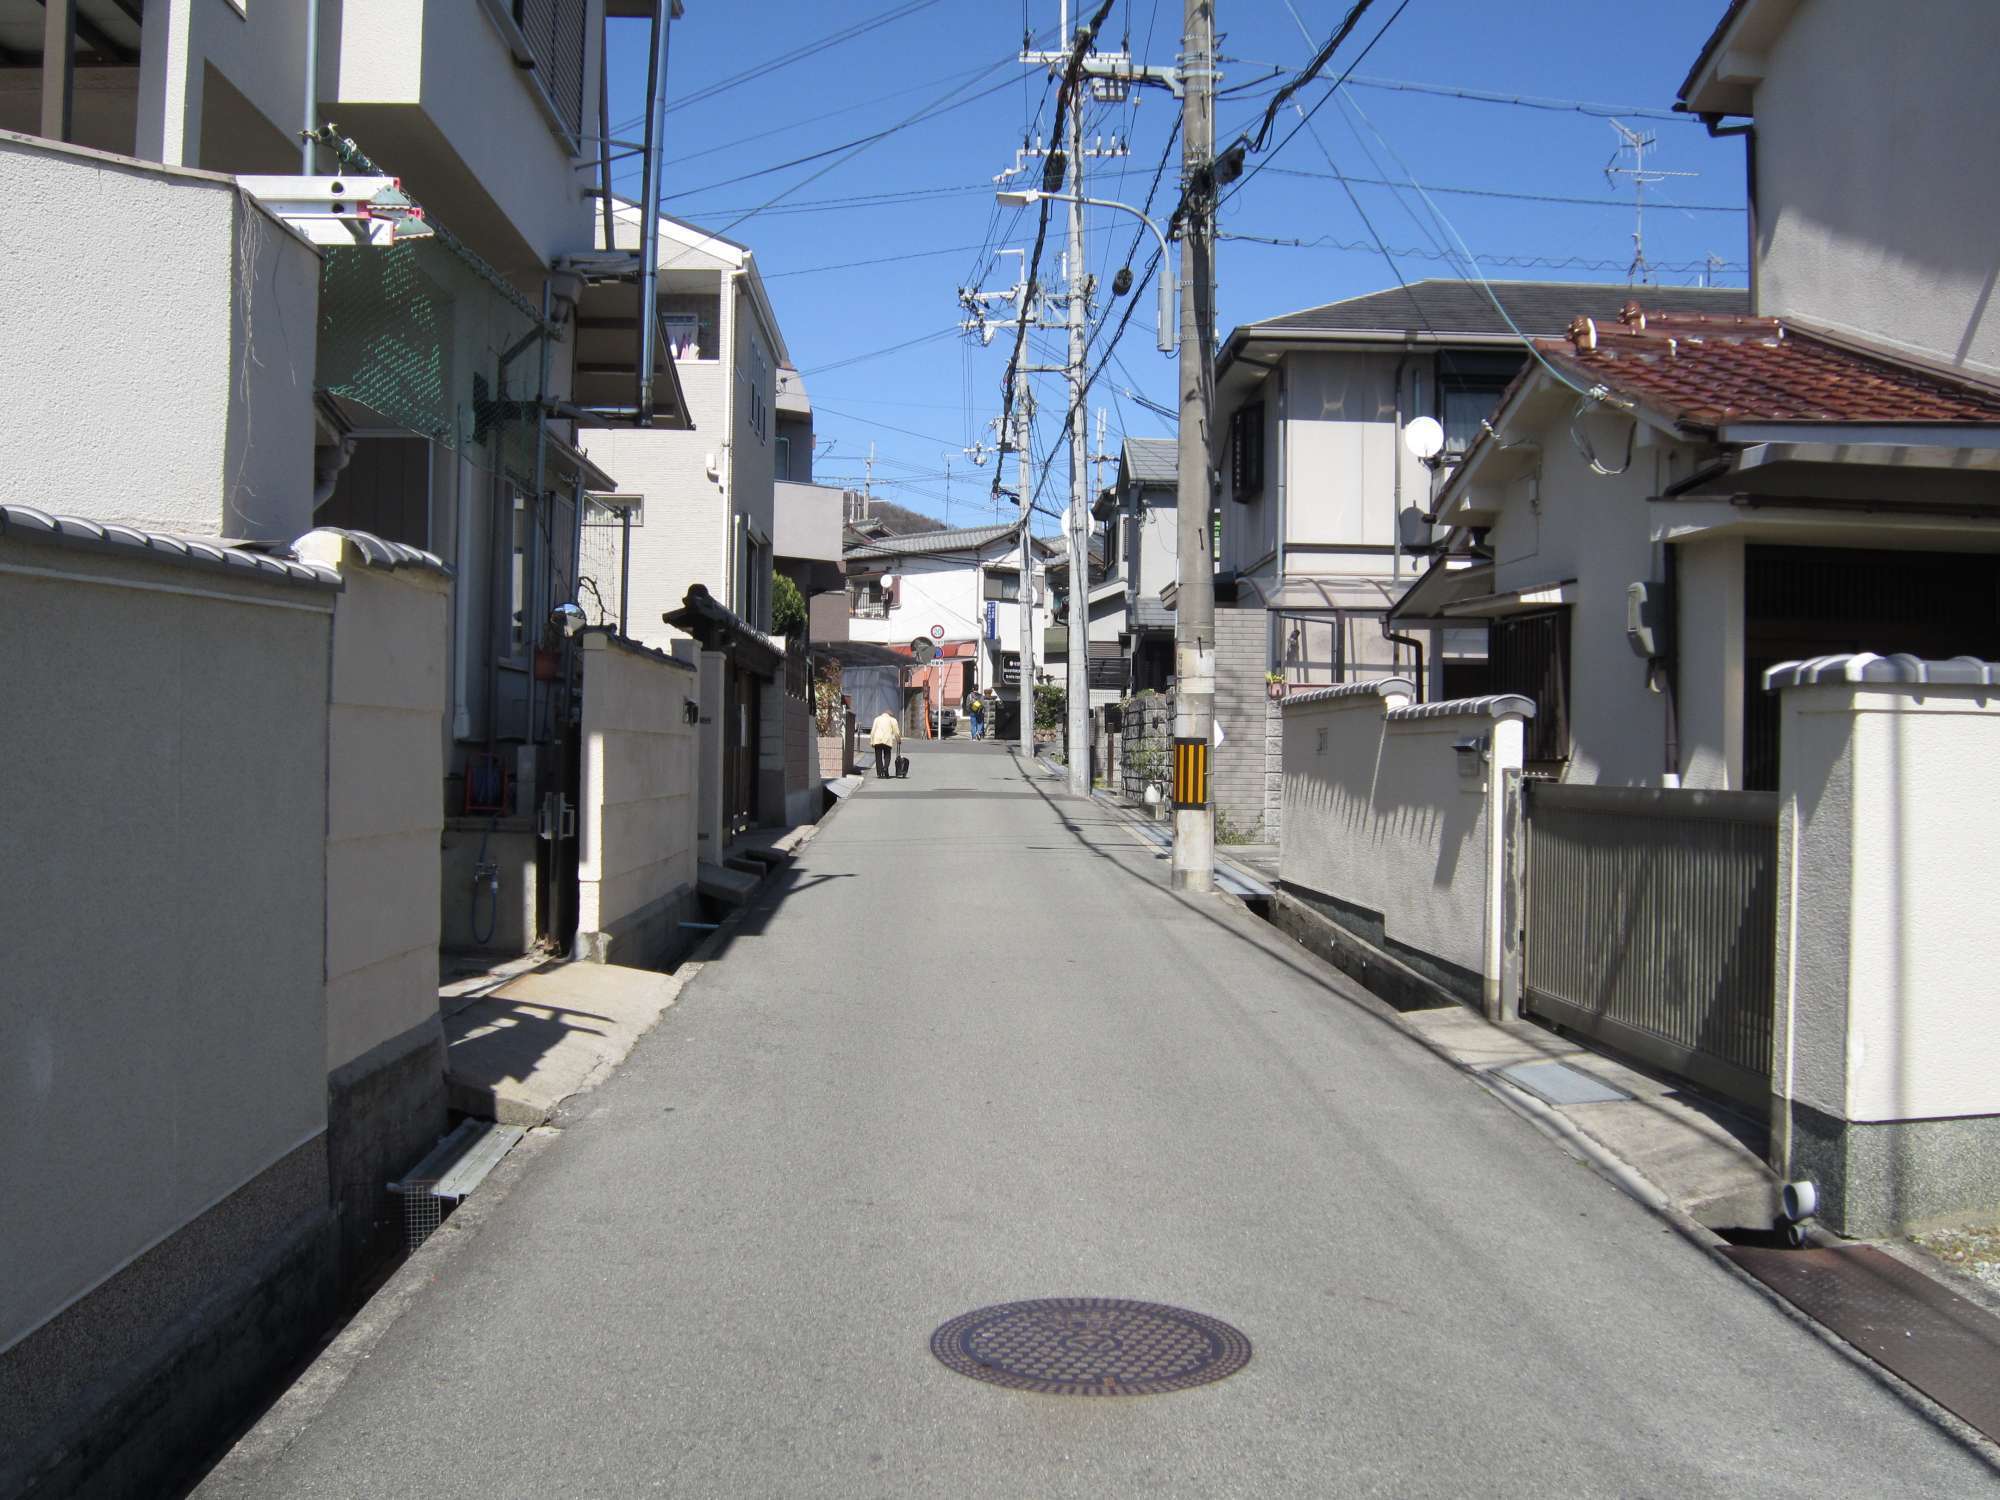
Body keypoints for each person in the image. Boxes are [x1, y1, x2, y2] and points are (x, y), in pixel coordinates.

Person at [869, 707, 902, 779]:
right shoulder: (893, 720)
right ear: (890, 715)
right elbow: (896, 732)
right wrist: (898, 740)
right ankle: (885, 767)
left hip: (877, 740)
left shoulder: (877, 719)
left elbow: (873, 731)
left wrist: (872, 741)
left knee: (878, 757)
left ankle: (879, 773)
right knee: (887, 755)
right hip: (887, 740)